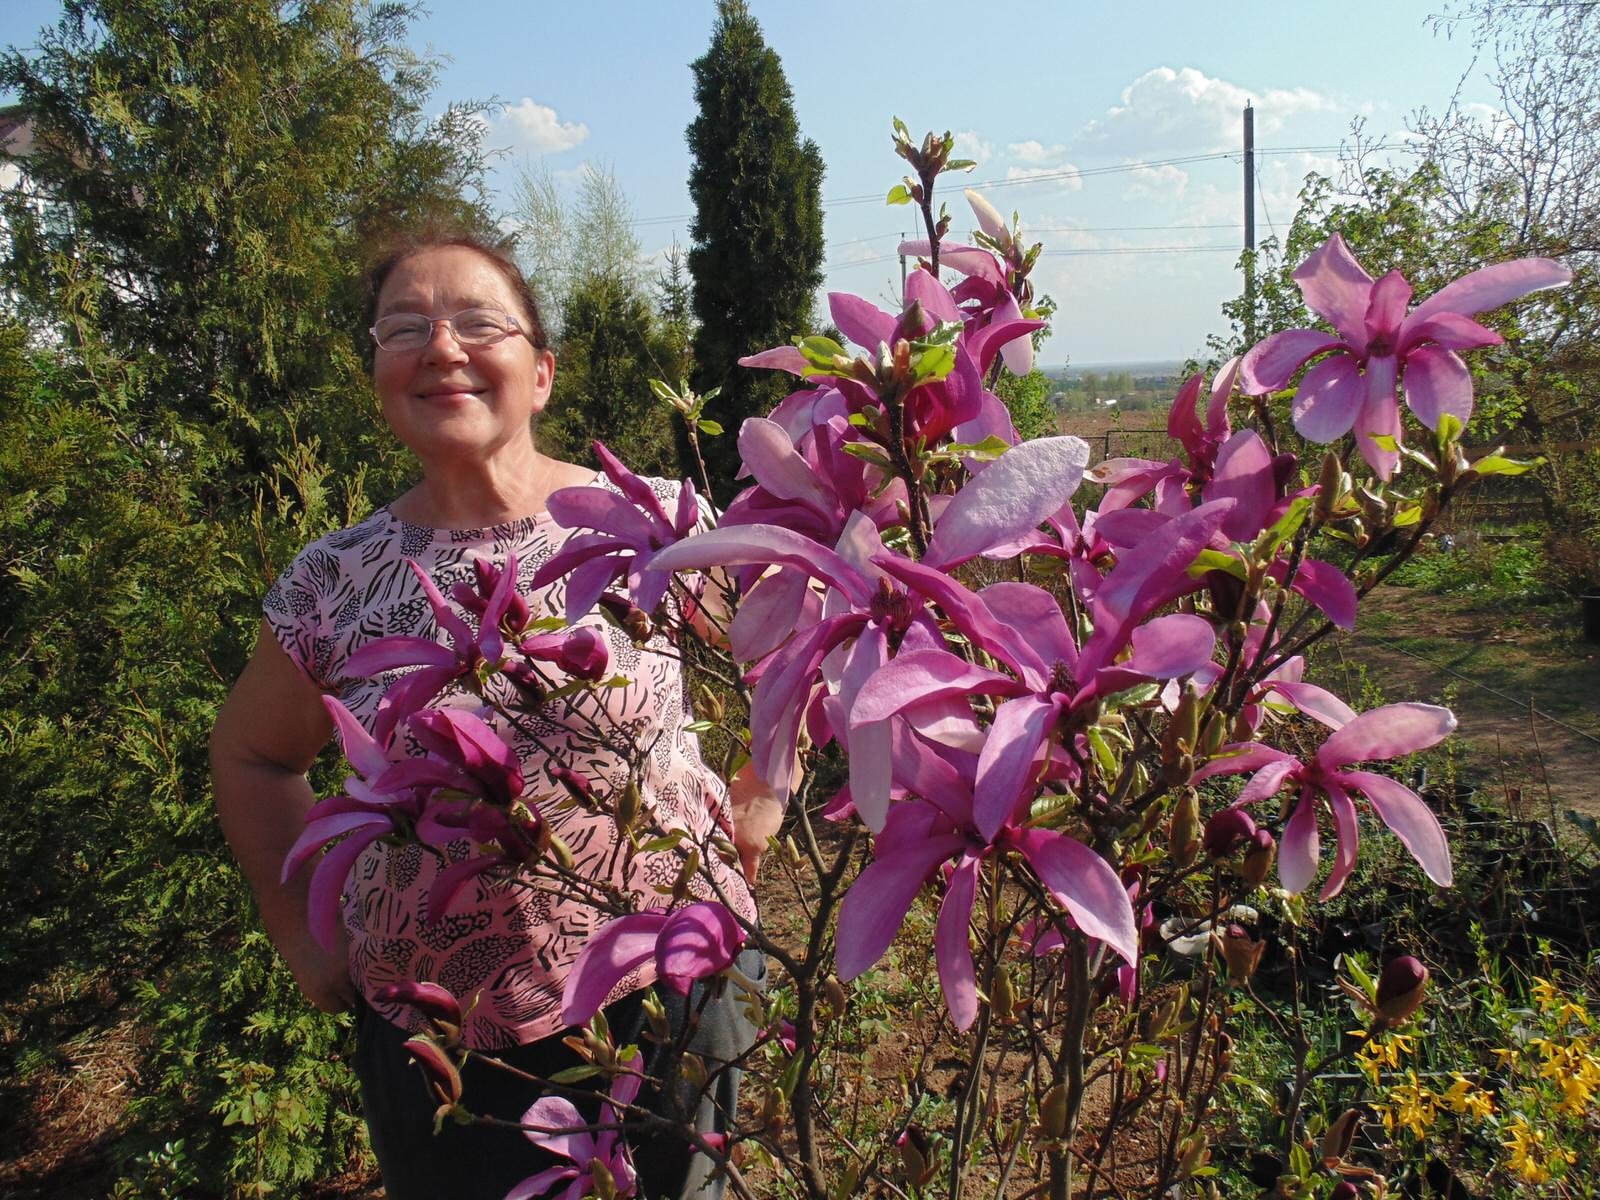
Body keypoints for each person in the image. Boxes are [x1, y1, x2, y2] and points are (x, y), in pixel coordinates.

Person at [210, 235, 781, 1199]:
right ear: (378, 375)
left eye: (479, 322)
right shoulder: (333, 580)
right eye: (406, 327)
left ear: (542, 372)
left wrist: (769, 790)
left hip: (673, 981)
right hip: (443, 1035)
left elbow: (785, 655)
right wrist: (302, 934)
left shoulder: (656, 520)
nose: (442, 347)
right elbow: (253, 755)